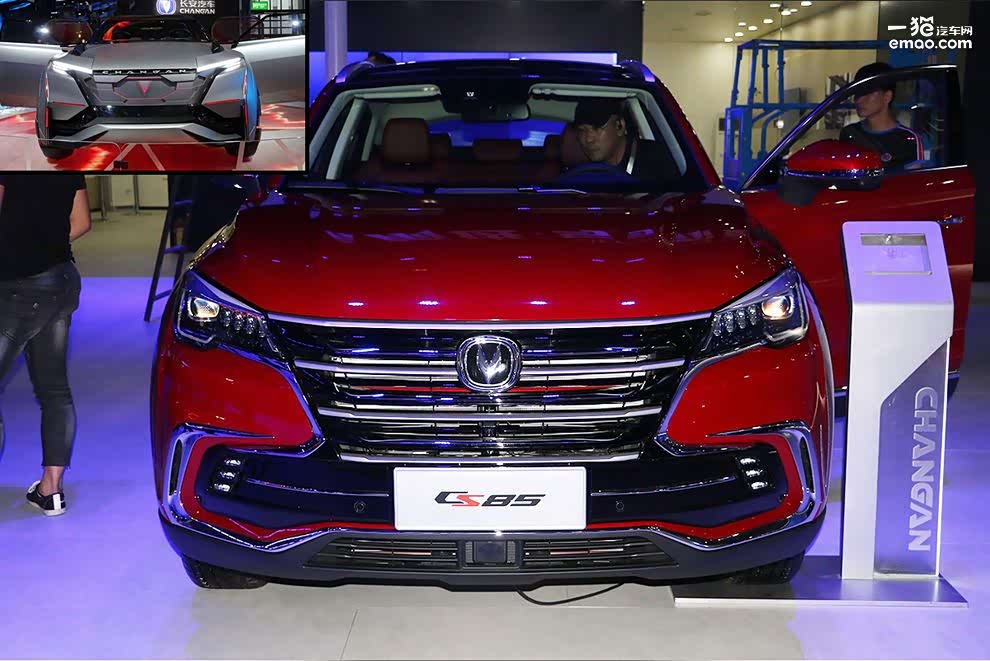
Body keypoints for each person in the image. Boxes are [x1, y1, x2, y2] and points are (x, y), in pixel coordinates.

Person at [0, 174, 91, 517]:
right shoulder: (66, 161)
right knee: (54, 390)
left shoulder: (6, 159)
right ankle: (50, 490)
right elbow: (81, 222)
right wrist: (44, 244)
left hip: (18, 287)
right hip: (60, 280)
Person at [839, 62, 926, 170]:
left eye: (869, 93)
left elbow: (914, 178)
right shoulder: (850, 133)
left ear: (887, 96)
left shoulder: (908, 139)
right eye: (857, 93)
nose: (859, 100)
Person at [569, 98, 671, 182]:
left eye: (597, 128)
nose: (589, 139)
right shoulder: (580, 172)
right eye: (582, 130)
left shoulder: (658, 161)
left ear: (620, 126)